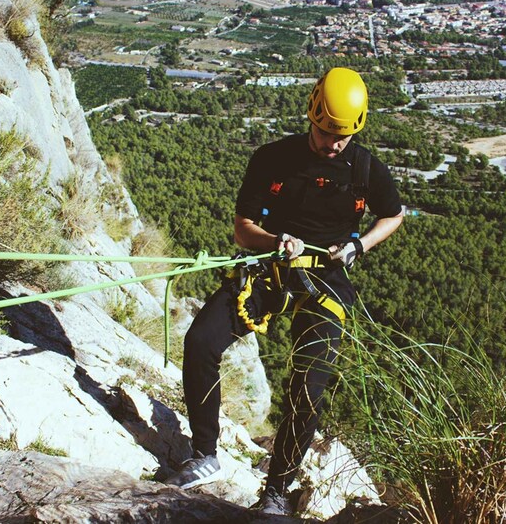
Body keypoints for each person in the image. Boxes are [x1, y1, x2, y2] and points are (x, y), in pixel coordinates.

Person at [165, 67, 404, 515]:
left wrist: (358, 245)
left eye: (342, 137)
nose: (333, 144)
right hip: (270, 267)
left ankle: (275, 492)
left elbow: (393, 214)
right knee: (201, 341)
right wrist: (275, 242)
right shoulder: (273, 158)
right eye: (326, 132)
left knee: (309, 388)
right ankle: (205, 455)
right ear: (312, 114)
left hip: (325, 278)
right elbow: (242, 230)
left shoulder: (366, 168)